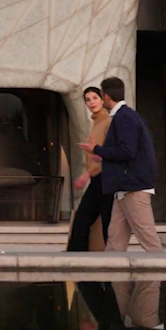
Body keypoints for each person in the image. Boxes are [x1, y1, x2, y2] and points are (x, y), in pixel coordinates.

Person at [81, 75, 162, 253]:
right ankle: (113, 278)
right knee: (115, 239)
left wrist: (98, 149)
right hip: (124, 188)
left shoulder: (123, 117)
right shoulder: (127, 116)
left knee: (148, 239)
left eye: (100, 95)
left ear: (106, 96)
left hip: (133, 187)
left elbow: (127, 151)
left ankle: (160, 278)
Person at [65, 86, 113, 251]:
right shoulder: (96, 124)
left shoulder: (109, 122)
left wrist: (86, 174)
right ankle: (76, 265)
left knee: (104, 223)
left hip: (106, 179)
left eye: (94, 98)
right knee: (82, 220)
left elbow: (106, 152)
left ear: (102, 99)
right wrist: (86, 174)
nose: (91, 102)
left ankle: (109, 266)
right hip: (96, 179)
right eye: (87, 99)